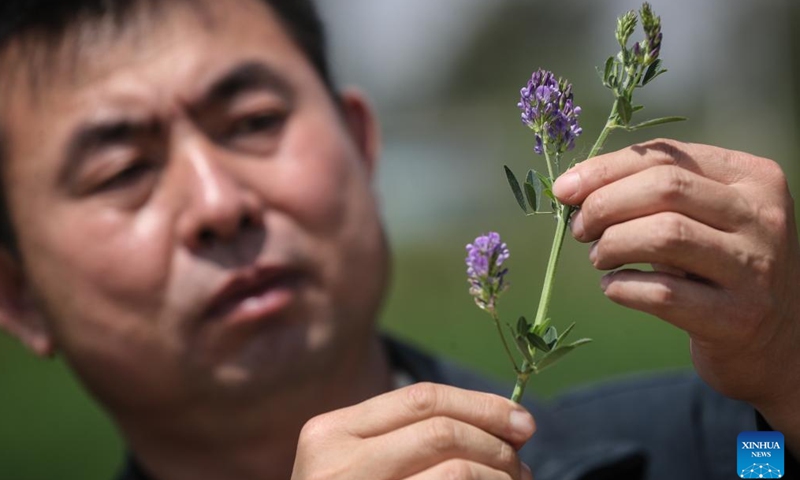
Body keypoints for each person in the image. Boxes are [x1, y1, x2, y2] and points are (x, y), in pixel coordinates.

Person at [0, 1, 797, 479]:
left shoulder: (709, 446)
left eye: (253, 123)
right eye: (120, 170)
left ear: (360, 144)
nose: (219, 203)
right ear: (20, 296)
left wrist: (787, 368)